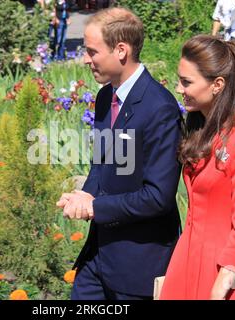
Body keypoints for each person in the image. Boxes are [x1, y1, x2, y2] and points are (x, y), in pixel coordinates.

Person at [56, 7, 182, 300]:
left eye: (92, 51)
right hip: (98, 257)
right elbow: (102, 164)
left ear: (121, 50)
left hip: (137, 262)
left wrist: (95, 208)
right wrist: (86, 195)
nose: (85, 59)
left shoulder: (159, 109)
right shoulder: (105, 97)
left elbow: (157, 197)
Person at [160, 35, 235, 300]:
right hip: (188, 254)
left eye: (187, 82)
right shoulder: (199, 128)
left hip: (222, 265)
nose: (179, 88)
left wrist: (227, 273)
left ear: (217, 85)